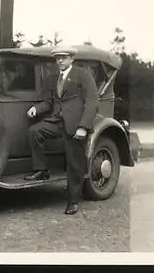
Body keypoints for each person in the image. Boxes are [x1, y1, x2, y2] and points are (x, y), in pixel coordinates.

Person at [25, 45, 98, 215]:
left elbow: (92, 102)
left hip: (75, 124)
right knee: (34, 131)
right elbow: (49, 102)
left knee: (74, 163)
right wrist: (36, 108)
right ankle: (42, 170)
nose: (60, 61)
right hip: (57, 120)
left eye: (64, 57)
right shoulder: (53, 78)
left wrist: (83, 127)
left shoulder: (83, 75)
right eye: (57, 58)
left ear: (72, 59)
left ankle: (73, 201)